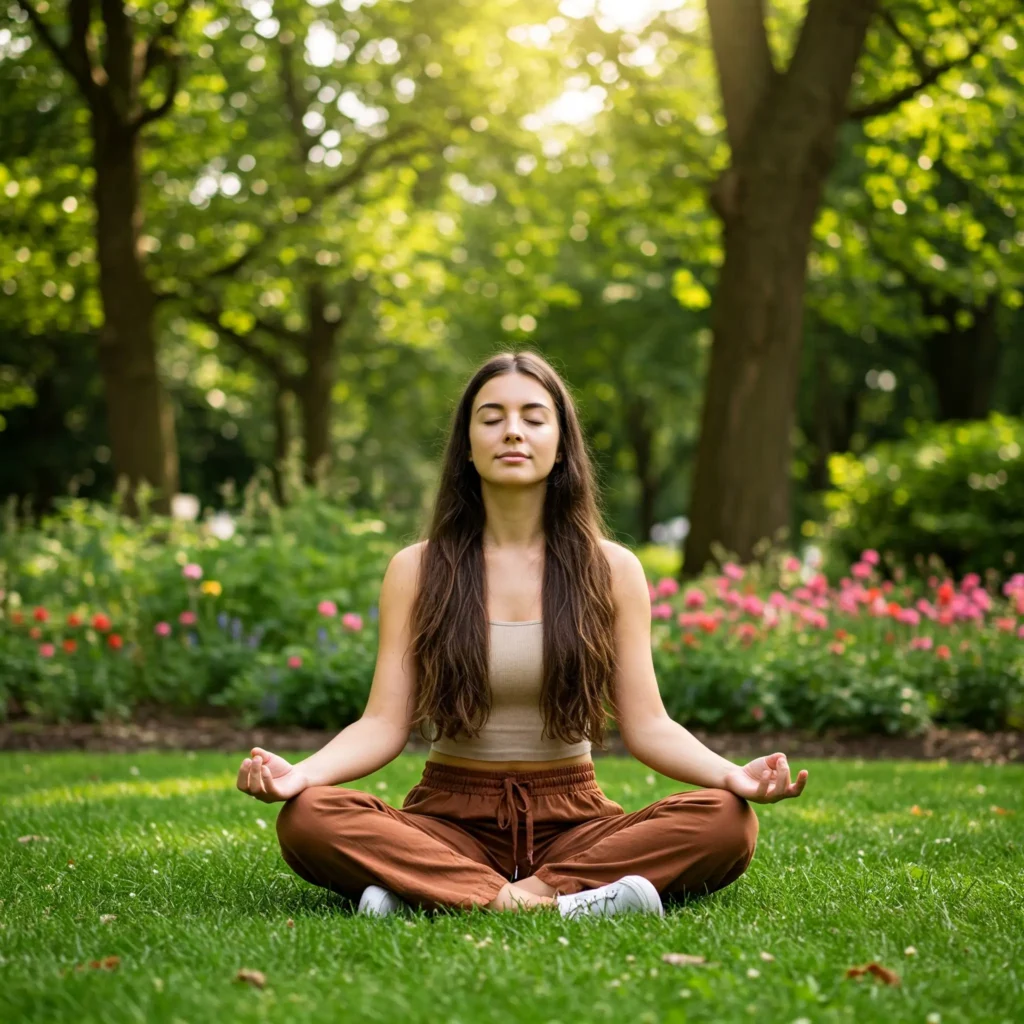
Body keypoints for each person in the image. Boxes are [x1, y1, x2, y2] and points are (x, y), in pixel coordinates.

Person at [236, 350, 808, 919]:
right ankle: (560, 903)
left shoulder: (613, 570)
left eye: (534, 418)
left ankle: (439, 894)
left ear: (562, 442)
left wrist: (732, 775)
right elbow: (383, 724)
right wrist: (301, 775)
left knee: (727, 820)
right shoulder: (416, 568)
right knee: (308, 817)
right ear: (466, 443)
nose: (513, 432)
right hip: (447, 819)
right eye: (491, 418)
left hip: (575, 823)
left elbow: (649, 726)